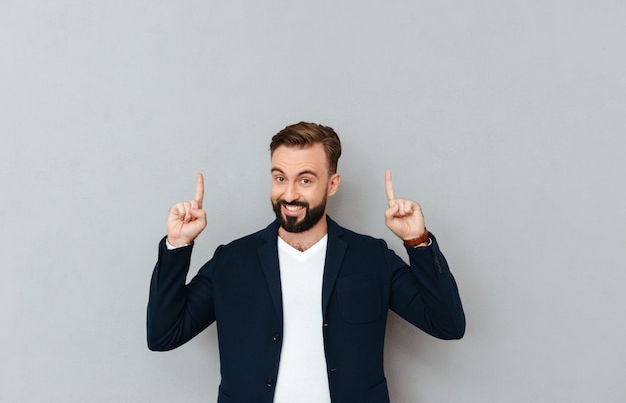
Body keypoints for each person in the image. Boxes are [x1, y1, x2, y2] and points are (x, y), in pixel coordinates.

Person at [147, 122, 465, 403]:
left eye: (305, 180)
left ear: (332, 183)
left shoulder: (372, 257)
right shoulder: (231, 260)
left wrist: (417, 242)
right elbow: (164, 335)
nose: (289, 194)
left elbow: (447, 324)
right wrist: (178, 244)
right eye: (280, 177)